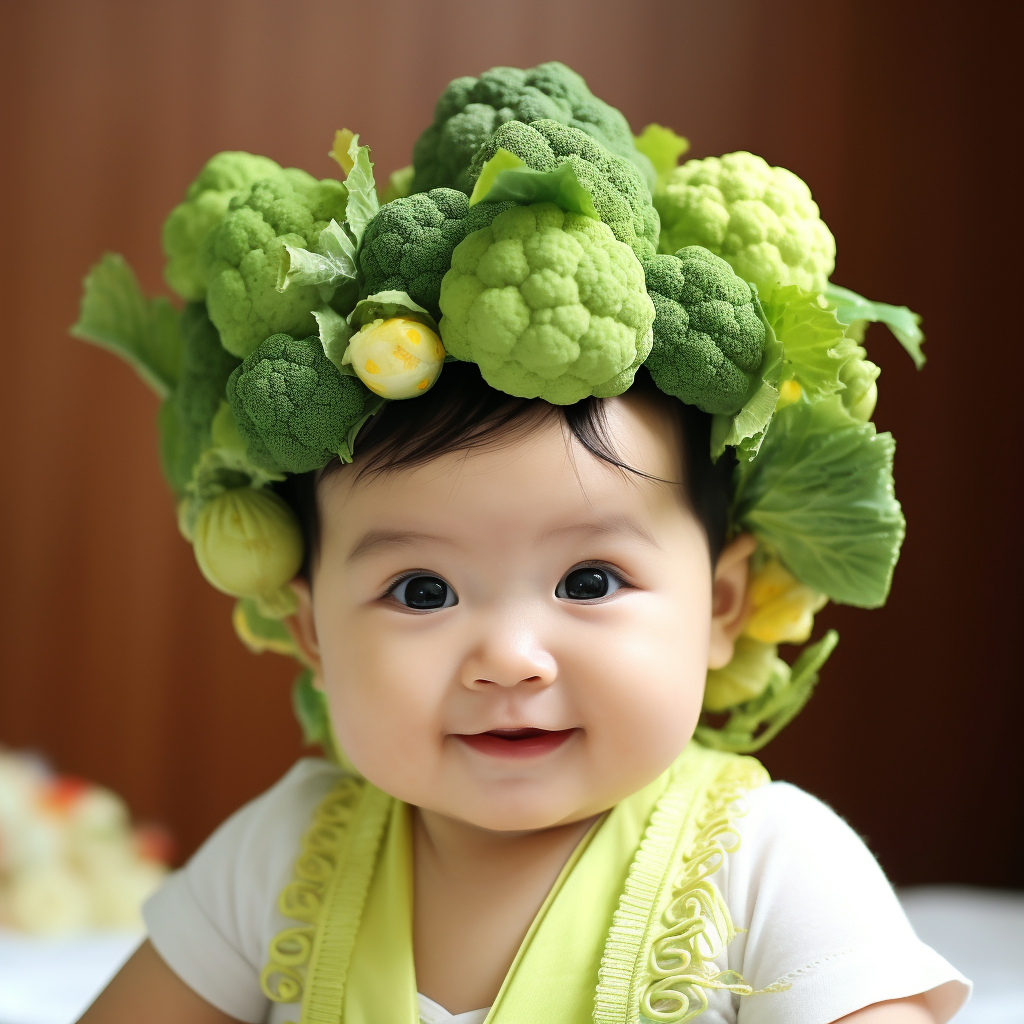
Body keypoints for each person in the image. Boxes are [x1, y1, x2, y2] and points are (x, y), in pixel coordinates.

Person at [72, 61, 969, 1024]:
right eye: (421, 591)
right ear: (310, 633)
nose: (507, 657)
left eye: (589, 579)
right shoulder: (283, 856)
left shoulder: (768, 866)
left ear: (720, 605)